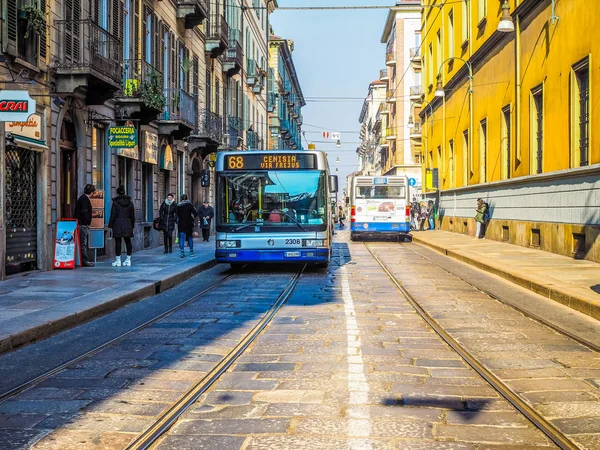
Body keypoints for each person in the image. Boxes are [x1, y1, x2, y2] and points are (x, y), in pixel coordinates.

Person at [108, 185, 135, 267]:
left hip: (117, 223)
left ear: (118, 193)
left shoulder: (115, 203)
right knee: (128, 241)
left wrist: (110, 225)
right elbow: (132, 216)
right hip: (127, 223)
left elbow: (113, 215)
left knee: (118, 241)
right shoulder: (130, 203)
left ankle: (118, 260)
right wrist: (132, 225)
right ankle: (128, 259)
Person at [73, 184, 96, 267]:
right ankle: (85, 260)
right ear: (92, 192)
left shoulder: (82, 198)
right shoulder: (85, 199)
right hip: (82, 224)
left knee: (82, 242)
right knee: (83, 243)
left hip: (80, 223)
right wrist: (87, 222)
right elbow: (85, 212)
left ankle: (82, 260)